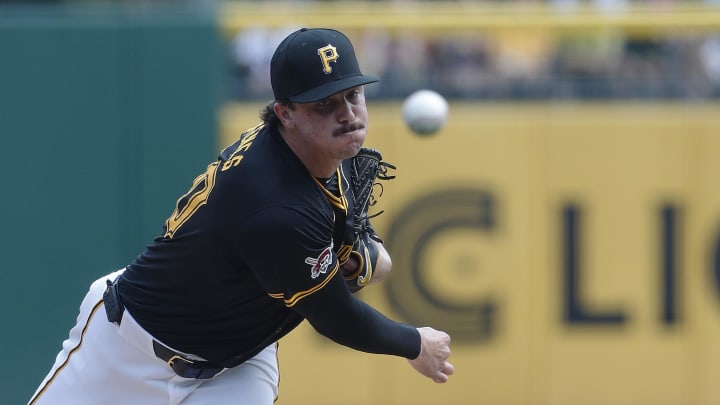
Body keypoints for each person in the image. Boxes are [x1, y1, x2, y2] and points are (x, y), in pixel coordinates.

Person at [28, 27, 454, 405]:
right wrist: (414, 343)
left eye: (352, 95)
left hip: (236, 366)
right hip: (128, 353)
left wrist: (354, 256)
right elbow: (336, 318)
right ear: (285, 113)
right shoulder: (276, 206)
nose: (347, 114)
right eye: (324, 104)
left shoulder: (315, 151)